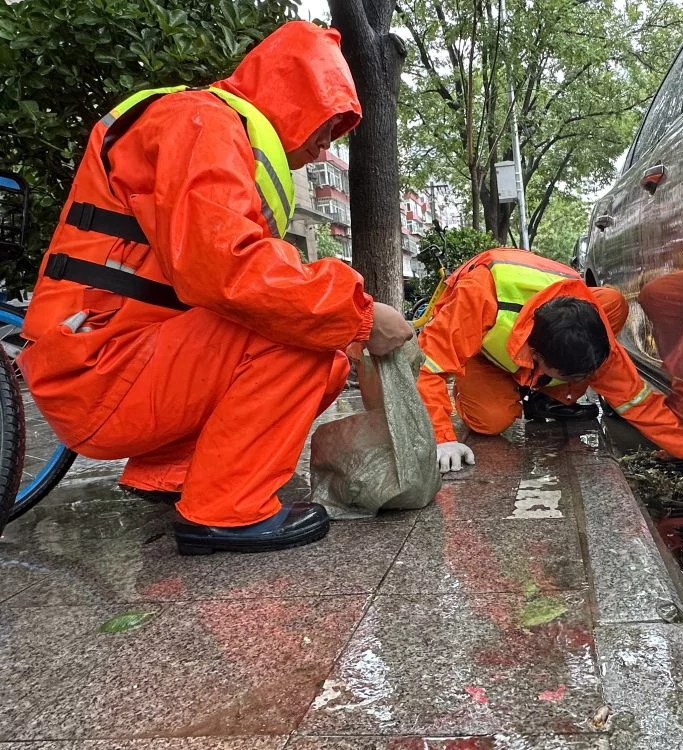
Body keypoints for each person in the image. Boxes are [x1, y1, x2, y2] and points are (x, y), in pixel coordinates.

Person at [18, 22, 413, 554]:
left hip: (104, 364)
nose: (324, 150)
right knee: (305, 337)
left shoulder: (208, 128)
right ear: (295, 96)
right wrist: (361, 315)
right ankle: (227, 509)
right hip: (102, 373)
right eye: (326, 125)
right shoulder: (201, 122)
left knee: (319, 342)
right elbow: (231, 271)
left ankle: (173, 475)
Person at [415, 247, 683, 479]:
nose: (586, 383)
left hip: (537, 342)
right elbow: (429, 367)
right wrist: (442, 437)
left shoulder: (593, 335)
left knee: (610, 300)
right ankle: (519, 390)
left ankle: (542, 397)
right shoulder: (480, 295)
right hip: (485, 352)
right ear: (535, 357)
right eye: (569, 378)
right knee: (489, 421)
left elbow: (639, 404)